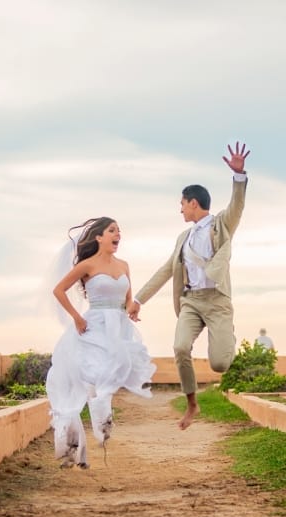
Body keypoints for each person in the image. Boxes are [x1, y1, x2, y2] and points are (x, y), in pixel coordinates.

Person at [129, 141, 250, 430]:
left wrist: (239, 176)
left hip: (217, 301)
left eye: (182, 203)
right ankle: (192, 403)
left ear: (193, 202)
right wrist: (139, 299)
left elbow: (238, 205)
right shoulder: (182, 238)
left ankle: (226, 334)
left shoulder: (221, 225)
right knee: (180, 346)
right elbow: (165, 271)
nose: (180, 209)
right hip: (191, 302)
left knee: (220, 363)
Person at [46, 217, 156, 469]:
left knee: (118, 367)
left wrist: (132, 310)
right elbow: (59, 290)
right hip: (93, 325)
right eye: (112, 230)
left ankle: (101, 411)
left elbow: (128, 299)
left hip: (118, 327)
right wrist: (75, 317)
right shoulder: (87, 265)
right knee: (91, 375)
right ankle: (86, 429)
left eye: (119, 231)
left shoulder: (124, 265)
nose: (118, 235)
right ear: (99, 237)